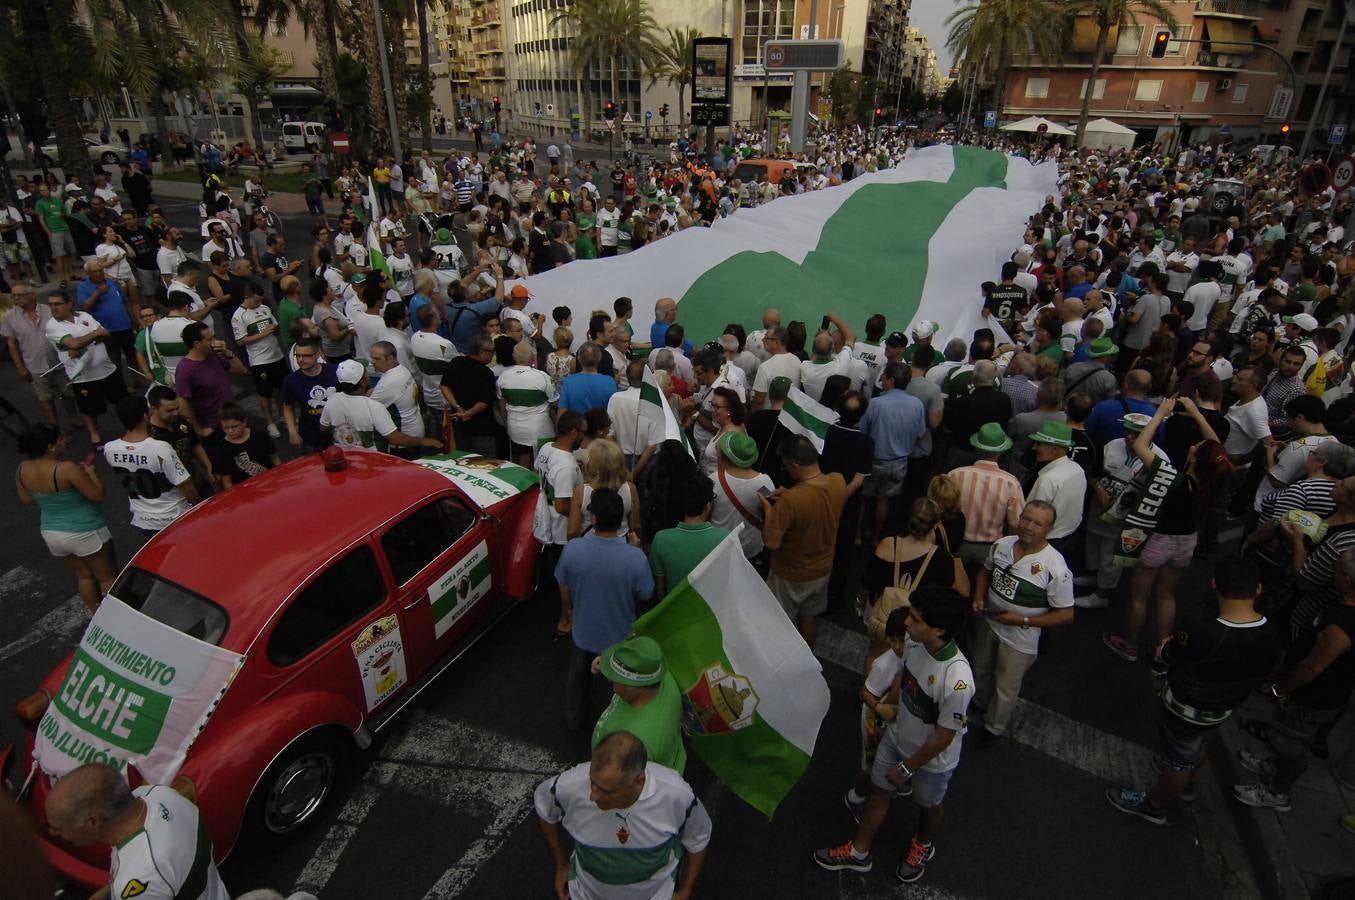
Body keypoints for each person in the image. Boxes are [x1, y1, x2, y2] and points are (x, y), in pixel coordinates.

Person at [814, 587, 973, 884]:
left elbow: (943, 738)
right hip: (896, 739)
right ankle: (858, 852)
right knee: (878, 792)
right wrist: (887, 707)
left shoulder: (958, 681)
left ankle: (922, 844)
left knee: (929, 806)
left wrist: (907, 767)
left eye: (915, 618)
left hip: (929, 763)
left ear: (939, 629)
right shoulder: (914, 641)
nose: (907, 624)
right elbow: (904, 674)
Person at [1106, 557, 1283, 824]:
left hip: (1189, 706)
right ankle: (1186, 785)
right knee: (1200, 744)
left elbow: (1169, 654)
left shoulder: (1205, 630)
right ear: (1257, 589)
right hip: (1223, 708)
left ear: (1214, 585)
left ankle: (1154, 805)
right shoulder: (1271, 633)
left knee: (1180, 759)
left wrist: (1165, 647)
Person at [1103, 398, 1228, 664]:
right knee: (1166, 594)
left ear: (1196, 457)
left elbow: (1139, 445)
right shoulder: (1213, 478)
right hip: (1186, 542)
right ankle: (1162, 647)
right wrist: (1195, 413)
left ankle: (1131, 645)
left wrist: (1159, 414)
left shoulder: (1173, 478)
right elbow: (1215, 445)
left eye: (1197, 448)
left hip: (1159, 541)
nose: (1193, 446)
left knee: (1139, 596)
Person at [1232, 549, 1355, 812]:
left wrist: (1282, 688)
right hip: (1320, 696)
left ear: (1347, 579)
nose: (1333, 569)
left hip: (1312, 697)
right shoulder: (1342, 611)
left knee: (1291, 745)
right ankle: (1272, 765)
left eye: (1338, 567)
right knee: (1284, 735)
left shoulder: (1341, 623)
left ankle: (1277, 792)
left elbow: (1313, 667)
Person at [535, 732, 711, 899]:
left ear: (638, 782)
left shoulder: (677, 797)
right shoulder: (568, 786)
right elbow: (544, 806)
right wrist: (561, 864)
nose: (592, 795)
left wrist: (685, 891)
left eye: (606, 791)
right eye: (592, 782)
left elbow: (698, 838)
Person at [969, 500, 1075, 745]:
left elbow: (1066, 614)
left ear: (1049, 529)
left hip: (1020, 637)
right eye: (1025, 519)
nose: (1028, 526)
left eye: (1037, 523)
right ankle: (981, 703)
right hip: (989, 623)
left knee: (1006, 685)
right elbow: (985, 571)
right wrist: (978, 596)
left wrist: (1023, 620)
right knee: (982, 668)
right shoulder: (1002, 545)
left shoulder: (1055, 568)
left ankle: (993, 727)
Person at [45, 762, 230, 900]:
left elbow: (143, 877)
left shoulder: (141, 877)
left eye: (58, 828)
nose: (54, 833)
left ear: (92, 822)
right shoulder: (155, 794)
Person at [555, 489, 654, 730]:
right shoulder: (635, 558)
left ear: (594, 519)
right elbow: (646, 594)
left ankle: (573, 720)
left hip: (583, 633)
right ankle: (614, 728)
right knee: (618, 688)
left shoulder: (573, 549)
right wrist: (637, 548)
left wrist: (568, 615)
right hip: (620, 637)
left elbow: (564, 587)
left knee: (578, 681)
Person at [760, 435, 849, 648]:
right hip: (822, 568)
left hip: (790, 574)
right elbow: (817, 503)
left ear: (795, 465)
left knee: (780, 621)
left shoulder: (791, 501)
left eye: (786, 466)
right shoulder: (838, 481)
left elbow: (772, 542)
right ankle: (808, 654)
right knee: (809, 617)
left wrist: (770, 511)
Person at [16, 423, 114, 613]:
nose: (64, 442)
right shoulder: (66, 469)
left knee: (84, 576)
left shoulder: (22, 468)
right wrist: (91, 475)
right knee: (107, 578)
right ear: (50, 447)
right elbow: (97, 495)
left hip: (52, 532)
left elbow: (26, 499)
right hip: (85, 529)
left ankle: (95, 615)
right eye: (60, 439)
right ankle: (115, 618)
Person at [103, 394, 198, 537]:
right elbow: (186, 486)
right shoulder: (160, 448)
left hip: (145, 520)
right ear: (145, 416)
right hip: (175, 516)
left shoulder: (109, 449)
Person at [592, 636, 686, 773]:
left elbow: (626, 784)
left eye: (614, 678)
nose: (609, 678)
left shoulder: (639, 741)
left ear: (633, 687)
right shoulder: (659, 674)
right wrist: (610, 664)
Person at [45, 291, 126, 446]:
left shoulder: (83, 315)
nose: (54, 307)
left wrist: (85, 340)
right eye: (51, 304)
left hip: (107, 369)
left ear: (68, 304)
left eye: (57, 303)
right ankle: (94, 435)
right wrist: (93, 335)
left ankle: (130, 428)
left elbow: (105, 333)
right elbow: (74, 344)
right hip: (83, 376)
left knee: (121, 401)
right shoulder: (52, 326)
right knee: (89, 410)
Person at [859, 362, 927, 541]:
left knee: (864, 498)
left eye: (884, 376)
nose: (881, 378)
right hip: (900, 462)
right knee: (884, 500)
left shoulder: (875, 404)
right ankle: (876, 537)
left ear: (890, 380)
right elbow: (921, 433)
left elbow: (862, 431)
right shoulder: (917, 404)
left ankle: (857, 536)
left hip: (874, 460)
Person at [321, 359, 441, 453]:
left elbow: (324, 428)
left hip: (346, 459)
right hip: (373, 462)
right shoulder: (374, 407)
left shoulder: (332, 401)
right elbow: (394, 438)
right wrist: (422, 441)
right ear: (363, 381)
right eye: (365, 374)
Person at [2, 283, 74, 428]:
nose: (15, 298)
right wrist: (20, 368)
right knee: (45, 399)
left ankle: (75, 418)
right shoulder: (9, 317)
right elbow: (11, 344)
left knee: (68, 394)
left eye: (19, 295)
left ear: (32, 295)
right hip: (35, 366)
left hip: (59, 362)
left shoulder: (49, 310)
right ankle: (55, 429)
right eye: (13, 295)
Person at [650, 474, 729, 598]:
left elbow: (660, 589)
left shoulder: (661, 539)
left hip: (675, 610)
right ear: (708, 505)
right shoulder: (725, 538)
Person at [174, 322, 249, 439]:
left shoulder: (214, 355)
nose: (215, 341)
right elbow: (183, 405)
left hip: (233, 418)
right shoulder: (185, 369)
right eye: (209, 339)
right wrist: (199, 429)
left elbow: (242, 370)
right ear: (197, 344)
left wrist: (227, 353)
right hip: (214, 428)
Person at [1025, 421, 1087, 562]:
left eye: (1039, 444)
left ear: (1054, 449)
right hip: (1070, 538)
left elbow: (1032, 519)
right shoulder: (1077, 469)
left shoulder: (1048, 479)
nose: (1034, 448)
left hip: (1046, 543)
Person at [230, 282, 286, 437]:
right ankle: (270, 422)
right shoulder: (238, 316)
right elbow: (241, 341)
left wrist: (277, 329)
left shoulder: (265, 308)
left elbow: (274, 327)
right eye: (255, 301)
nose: (259, 303)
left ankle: (283, 415)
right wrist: (263, 333)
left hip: (277, 356)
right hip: (260, 361)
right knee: (265, 394)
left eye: (260, 300)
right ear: (246, 297)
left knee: (281, 389)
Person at [441, 333, 501, 456]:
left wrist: (458, 408)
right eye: (492, 350)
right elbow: (483, 403)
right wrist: (467, 414)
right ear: (482, 352)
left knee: (463, 459)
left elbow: (444, 386)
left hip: (460, 425)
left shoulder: (456, 362)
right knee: (484, 464)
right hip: (482, 429)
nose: (494, 353)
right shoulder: (486, 374)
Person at [281, 337, 339, 453]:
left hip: (339, 432)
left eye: (307, 355)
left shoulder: (335, 372)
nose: (301, 359)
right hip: (311, 438)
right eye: (298, 356)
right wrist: (292, 432)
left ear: (317, 355)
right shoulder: (290, 381)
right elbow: (288, 408)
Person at [210, 403, 280, 488]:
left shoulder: (260, 435)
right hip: (247, 492)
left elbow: (275, 458)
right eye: (226, 428)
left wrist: (280, 477)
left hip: (271, 483)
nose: (230, 431)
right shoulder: (221, 450)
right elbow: (227, 481)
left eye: (234, 426)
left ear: (244, 422)